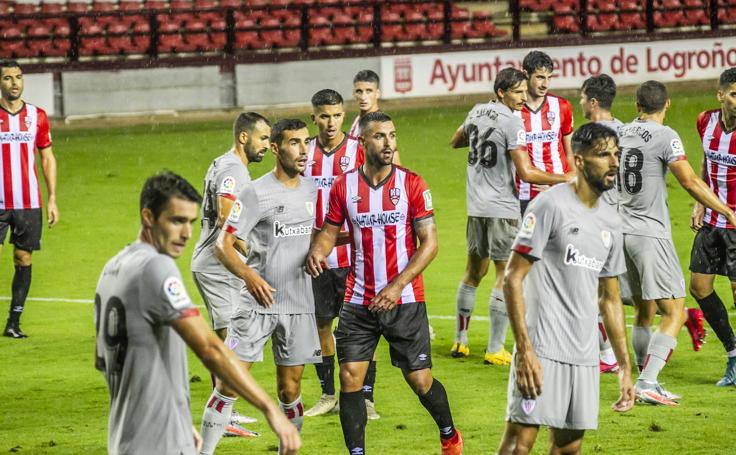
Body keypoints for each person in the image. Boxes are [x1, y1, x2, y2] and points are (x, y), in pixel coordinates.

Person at [94, 171, 300, 455]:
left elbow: (109, 361)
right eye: (176, 221)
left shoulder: (113, 267)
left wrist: (175, 417)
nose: (187, 233)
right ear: (148, 217)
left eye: (190, 222)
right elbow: (210, 349)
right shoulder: (156, 268)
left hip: (125, 439)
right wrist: (270, 409)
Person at [306, 111, 463, 455]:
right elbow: (328, 234)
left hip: (404, 299)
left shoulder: (412, 184)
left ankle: (449, 435)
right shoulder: (343, 187)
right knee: (350, 377)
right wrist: (318, 252)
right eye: (380, 136)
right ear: (363, 142)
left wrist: (395, 286)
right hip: (358, 300)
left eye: (392, 135)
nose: (389, 143)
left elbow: (430, 244)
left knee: (419, 381)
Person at [498, 122, 634, 455]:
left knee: (569, 447)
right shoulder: (551, 206)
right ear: (580, 160)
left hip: (584, 354)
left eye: (616, 154)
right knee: (519, 443)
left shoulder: (612, 222)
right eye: (604, 155)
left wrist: (624, 365)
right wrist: (524, 350)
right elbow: (512, 277)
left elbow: (610, 299)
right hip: (542, 347)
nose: (614, 163)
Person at [198, 119, 320, 454]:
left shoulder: (313, 191)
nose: (303, 150)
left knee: (290, 389)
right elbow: (222, 245)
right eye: (295, 143)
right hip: (256, 305)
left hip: (298, 303)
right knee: (229, 383)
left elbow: (323, 236)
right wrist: (250, 278)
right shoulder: (256, 192)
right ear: (277, 148)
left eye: (306, 143)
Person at [618, 81, 736, 406]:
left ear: (637, 105)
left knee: (644, 308)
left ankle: (643, 377)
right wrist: (724, 209)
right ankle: (648, 382)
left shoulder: (621, 133)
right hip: (649, 234)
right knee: (675, 310)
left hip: (619, 231)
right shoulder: (665, 136)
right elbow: (688, 180)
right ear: (667, 105)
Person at [448, 68, 570, 364]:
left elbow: (455, 141)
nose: (523, 97)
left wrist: (480, 140)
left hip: (475, 207)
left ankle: (461, 341)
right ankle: (494, 348)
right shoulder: (513, 122)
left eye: (524, 90)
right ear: (501, 92)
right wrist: (566, 179)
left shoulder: (477, 111)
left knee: (473, 273)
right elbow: (527, 173)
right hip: (502, 208)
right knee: (504, 275)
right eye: (517, 92)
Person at [302, 89, 382, 420]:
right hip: (317, 256)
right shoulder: (304, 152)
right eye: (324, 116)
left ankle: (365, 398)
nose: (331, 122)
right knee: (322, 326)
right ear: (314, 118)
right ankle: (328, 395)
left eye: (336, 115)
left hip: (353, 254)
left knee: (362, 328)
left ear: (344, 116)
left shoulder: (357, 150)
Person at [190, 111, 271, 434]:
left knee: (227, 340)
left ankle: (224, 412)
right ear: (243, 137)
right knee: (230, 342)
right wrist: (251, 252)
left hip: (214, 264)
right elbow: (226, 215)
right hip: (217, 266)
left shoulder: (224, 163)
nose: (266, 145)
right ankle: (223, 417)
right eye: (263, 138)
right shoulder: (234, 170)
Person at [0, 60, 59, 338]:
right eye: (8, 78)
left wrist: (52, 199)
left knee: (23, 259)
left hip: (28, 202)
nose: (14, 83)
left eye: (18, 77)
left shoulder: (37, 116)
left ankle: (13, 323)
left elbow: (47, 159)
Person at [689, 68, 736, 386]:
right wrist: (700, 201)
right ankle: (733, 354)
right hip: (712, 222)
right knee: (699, 287)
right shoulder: (705, 121)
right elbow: (707, 162)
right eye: (733, 93)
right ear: (721, 95)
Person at [515, 51, 575, 215]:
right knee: (527, 241)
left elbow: (570, 152)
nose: (545, 84)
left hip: (560, 192)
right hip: (524, 195)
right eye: (540, 77)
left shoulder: (562, 106)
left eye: (549, 78)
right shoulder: (512, 111)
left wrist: (572, 178)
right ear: (526, 74)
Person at [349, 69, 401, 165]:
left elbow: (394, 163)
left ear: (377, 94)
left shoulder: (380, 124)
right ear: (354, 94)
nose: (363, 97)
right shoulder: (358, 119)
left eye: (368, 91)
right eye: (359, 91)